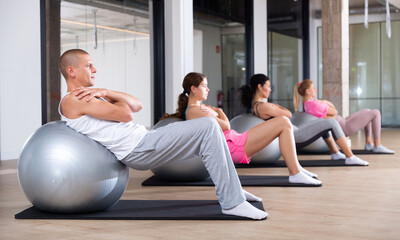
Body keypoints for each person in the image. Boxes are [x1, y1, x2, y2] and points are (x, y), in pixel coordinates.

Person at [58, 49, 267, 220]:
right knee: (209, 125)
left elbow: (137, 105)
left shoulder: (92, 96)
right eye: (88, 65)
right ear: (71, 71)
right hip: (138, 149)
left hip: (146, 139)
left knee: (209, 130)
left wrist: (106, 92)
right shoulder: (73, 100)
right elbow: (126, 114)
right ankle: (232, 202)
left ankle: (234, 192)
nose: (95, 69)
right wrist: (114, 99)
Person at [163, 72, 322, 185]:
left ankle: (297, 169)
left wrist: (216, 113)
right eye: (204, 86)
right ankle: (295, 172)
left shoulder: (200, 109)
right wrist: (220, 111)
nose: (208, 89)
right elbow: (226, 125)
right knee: (282, 122)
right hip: (232, 147)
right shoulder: (195, 111)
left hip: (234, 141)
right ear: (193, 88)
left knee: (284, 123)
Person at [240, 74, 369, 166]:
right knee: (331, 122)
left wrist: (275, 106)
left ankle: (335, 153)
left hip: (294, 131)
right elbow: (289, 114)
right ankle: (350, 157)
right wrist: (276, 106)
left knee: (321, 124)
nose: (270, 89)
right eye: (268, 86)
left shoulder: (257, 106)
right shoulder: (263, 106)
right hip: (296, 135)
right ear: (260, 87)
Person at [295, 79, 394, 154]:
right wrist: (326, 101)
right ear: (308, 91)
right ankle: (377, 145)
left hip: (343, 122)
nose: (315, 90)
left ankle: (369, 144)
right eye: (313, 88)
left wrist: (324, 103)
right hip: (345, 127)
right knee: (375, 113)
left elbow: (332, 112)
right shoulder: (314, 104)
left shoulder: (309, 104)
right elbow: (334, 111)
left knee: (367, 111)